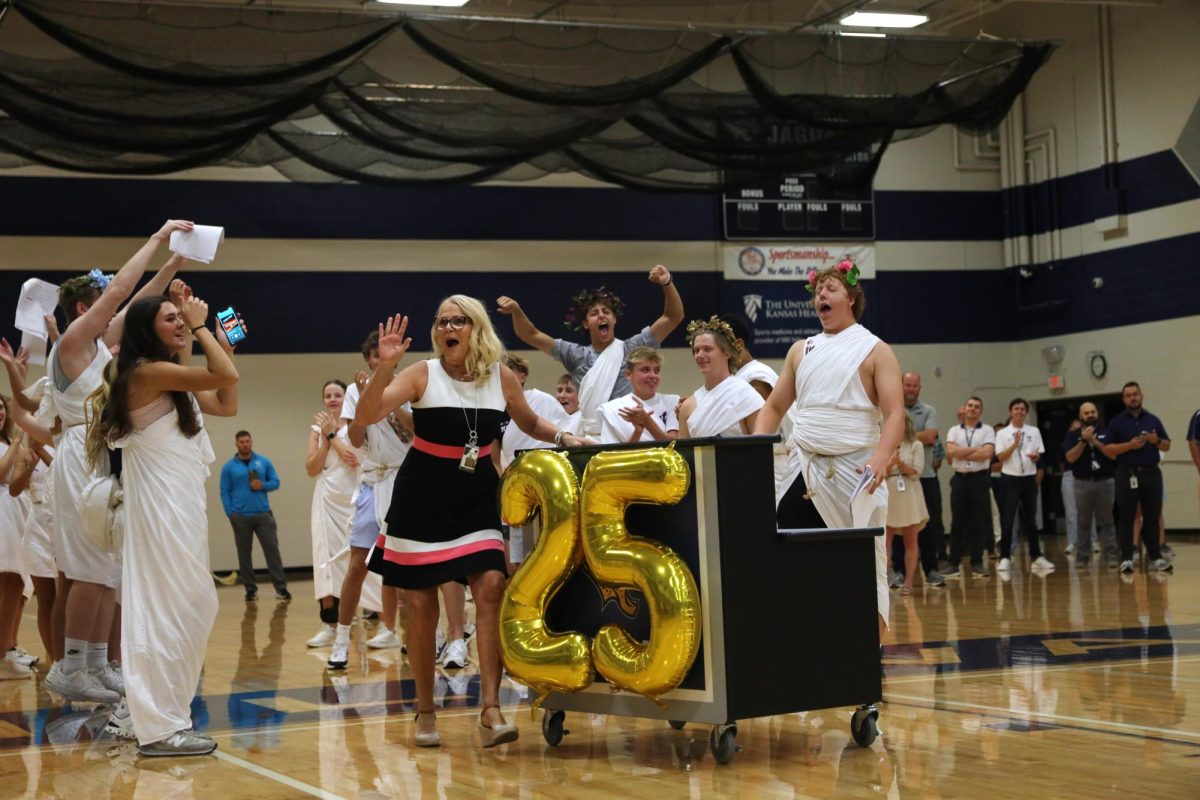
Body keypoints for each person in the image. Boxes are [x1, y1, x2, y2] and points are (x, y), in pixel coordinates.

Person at [354, 295, 589, 749]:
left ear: (475, 328)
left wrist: (563, 435)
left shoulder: (499, 376)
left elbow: (529, 421)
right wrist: (385, 366)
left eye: (458, 320)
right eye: (442, 321)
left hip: (477, 491)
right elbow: (367, 414)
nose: (448, 327)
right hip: (422, 494)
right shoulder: (421, 372)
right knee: (421, 608)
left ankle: (491, 708)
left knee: (491, 587)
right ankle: (425, 711)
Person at [43, 222, 194, 706]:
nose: (117, 306)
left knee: (105, 569)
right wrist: (156, 239)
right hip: (78, 460)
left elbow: (136, 301)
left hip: (100, 458)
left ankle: (91, 662)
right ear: (87, 311)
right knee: (89, 569)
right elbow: (125, 291)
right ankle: (71, 666)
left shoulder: (99, 349)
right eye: (106, 300)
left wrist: (172, 264)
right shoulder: (70, 346)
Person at [85, 291, 239, 756]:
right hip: (159, 512)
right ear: (145, 330)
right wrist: (201, 328)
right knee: (169, 610)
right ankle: (157, 725)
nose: (179, 322)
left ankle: (156, 715)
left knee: (193, 607)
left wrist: (217, 341)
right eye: (170, 318)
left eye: (181, 317)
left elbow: (226, 400)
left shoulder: (168, 378)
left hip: (181, 508)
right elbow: (223, 376)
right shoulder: (146, 373)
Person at [755, 260, 904, 640]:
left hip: (856, 476)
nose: (821, 294)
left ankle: (865, 671)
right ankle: (802, 655)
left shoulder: (875, 350)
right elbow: (774, 407)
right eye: (818, 290)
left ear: (851, 299)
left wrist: (881, 459)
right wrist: (752, 451)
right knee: (789, 562)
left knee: (862, 572)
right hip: (801, 469)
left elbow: (894, 414)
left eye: (831, 288)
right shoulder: (800, 351)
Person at [496, 265, 683, 436]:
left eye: (606, 311)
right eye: (594, 313)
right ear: (586, 323)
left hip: (628, 433)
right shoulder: (576, 355)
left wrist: (667, 282)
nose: (601, 315)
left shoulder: (632, 348)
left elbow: (673, 317)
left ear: (614, 319)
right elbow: (531, 334)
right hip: (593, 438)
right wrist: (516, 311)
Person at [328, 331, 414, 666]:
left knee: (408, 565)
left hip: (405, 479)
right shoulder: (354, 391)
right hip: (372, 479)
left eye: (386, 355)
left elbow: (411, 431)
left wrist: (385, 403)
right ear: (369, 360)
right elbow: (356, 438)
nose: (380, 361)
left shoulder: (409, 385)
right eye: (375, 356)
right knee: (357, 565)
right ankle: (340, 640)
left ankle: (416, 634)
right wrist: (366, 399)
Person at [305, 380, 363, 651]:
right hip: (326, 500)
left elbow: (353, 459)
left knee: (359, 561)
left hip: (353, 499)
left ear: (346, 397)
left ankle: (372, 620)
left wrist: (332, 437)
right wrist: (325, 439)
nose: (332, 399)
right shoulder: (318, 428)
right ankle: (328, 624)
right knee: (325, 559)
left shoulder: (356, 426)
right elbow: (311, 468)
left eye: (337, 394)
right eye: (327, 395)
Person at [1101, 382, 1171, 573]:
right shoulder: (1116, 422)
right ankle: (1126, 558)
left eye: (1135, 394)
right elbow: (1108, 450)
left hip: (1151, 473)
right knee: (1127, 516)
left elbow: (1166, 445)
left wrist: (1155, 441)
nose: (1132, 398)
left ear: (1141, 395)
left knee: (1152, 516)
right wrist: (1129, 446)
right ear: (1124, 399)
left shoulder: (1153, 420)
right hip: (1127, 473)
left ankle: (1155, 557)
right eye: (1128, 395)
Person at [719, 313, 791, 490]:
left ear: (739, 345)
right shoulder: (737, 377)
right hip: (755, 466)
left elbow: (762, 432)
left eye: (721, 348)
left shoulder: (757, 376)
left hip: (772, 468)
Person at [220, 431, 289, 602]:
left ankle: (281, 589)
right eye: (241, 442)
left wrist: (262, 485)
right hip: (240, 517)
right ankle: (250, 590)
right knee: (244, 554)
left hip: (263, 515)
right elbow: (224, 492)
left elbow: (276, 482)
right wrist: (231, 513)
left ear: (252, 442)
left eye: (248, 441)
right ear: (236, 444)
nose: (245, 444)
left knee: (272, 552)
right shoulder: (229, 467)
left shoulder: (263, 462)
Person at [677, 317, 763, 438]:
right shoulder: (688, 407)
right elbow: (683, 455)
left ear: (727, 352)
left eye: (707, 349)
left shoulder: (746, 396)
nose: (699, 355)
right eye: (696, 350)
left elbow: (762, 447)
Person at [994, 398, 1053, 572]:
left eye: (1022, 409)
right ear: (1010, 411)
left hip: (1028, 478)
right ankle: (1005, 556)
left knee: (1031, 520)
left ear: (1026, 412)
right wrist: (1014, 444)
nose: (1019, 411)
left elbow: (1039, 453)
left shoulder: (1033, 431)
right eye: (1016, 409)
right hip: (1010, 479)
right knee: (1008, 520)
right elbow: (1001, 457)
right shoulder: (1002, 433)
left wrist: (1035, 457)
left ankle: (1036, 556)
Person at [900, 372, 945, 587]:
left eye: (915, 385)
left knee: (930, 525)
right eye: (908, 385)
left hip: (925, 476)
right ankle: (899, 572)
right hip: (897, 479)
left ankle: (932, 569)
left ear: (920, 388)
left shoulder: (929, 411)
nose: (911, 389)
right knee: (897, 526)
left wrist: (901, 436)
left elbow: (931, 436)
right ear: (901, 386)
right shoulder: (892, 409)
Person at [943, 397, 995, 579]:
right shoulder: (954, 430)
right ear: (964, 409)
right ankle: (953, 563)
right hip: (960, 480)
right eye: (970, 406)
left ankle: (977, 562)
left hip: (979, 480)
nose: (973, 409)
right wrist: (975, 451)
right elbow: (950, 452)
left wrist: (961, 451)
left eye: (977, 407)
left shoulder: (987, 430)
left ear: (980, 411)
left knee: (978, 522)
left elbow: (987, 454)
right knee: (957, 522)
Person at [1061, 401, 1117, 567]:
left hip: (1105, 482)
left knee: (1107, 520)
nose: (1090, 415)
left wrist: (1095, 441)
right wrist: (1084, 441)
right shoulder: (1072, 435)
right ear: (1080, 416)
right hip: (1082, 483)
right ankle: (1082, 557)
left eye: (1093, 412)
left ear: (1097, 414)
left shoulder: (1107, 432)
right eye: (1086, 413)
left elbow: (1113, 455)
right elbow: (1070, 458)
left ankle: (1111, 555)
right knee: (1083, 521)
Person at [0, 399, 32, 679]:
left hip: (18, 517)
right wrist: (14, 444)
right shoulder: (11, 445)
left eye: (0, 407)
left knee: (18, 586)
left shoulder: (16, 445)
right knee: (8, 582)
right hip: (2, 520)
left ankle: (8, 649)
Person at [597, 347, 680, 444]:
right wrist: (638, 431)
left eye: (656, 370)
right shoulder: (612, 409)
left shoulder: (672, 401)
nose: (653, 375)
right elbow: (613, 453)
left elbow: (674, 445)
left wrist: (647, 421)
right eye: (645, 370)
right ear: (629, 375)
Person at [885, 415, 929, 596]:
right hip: (890, 492)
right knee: (885, 541)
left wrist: (900, 463)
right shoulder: (885, 445)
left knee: (910, 540)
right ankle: (886, 578)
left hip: (909, 492)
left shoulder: (915, 445)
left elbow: (916, 471)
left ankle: (909, 582)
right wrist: (890, 463)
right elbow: (882, 471)